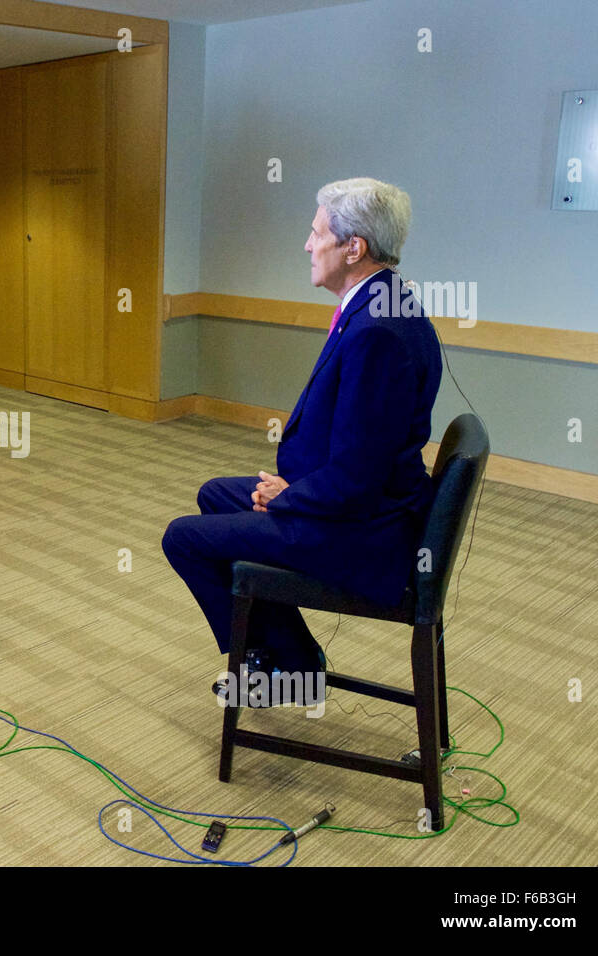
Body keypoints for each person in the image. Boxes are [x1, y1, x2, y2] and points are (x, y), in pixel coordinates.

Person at [162, 177, 441, 697]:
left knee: (183, 538)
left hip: (362, 531)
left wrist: (291, 497)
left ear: (353, 247)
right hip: (361, 506)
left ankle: (283, 671)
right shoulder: (379, 303)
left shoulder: (377, 331)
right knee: (215, 494)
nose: (307, 246)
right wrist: (291, 490)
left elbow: (358, 475)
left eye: (316, 235)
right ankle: (293, 657)